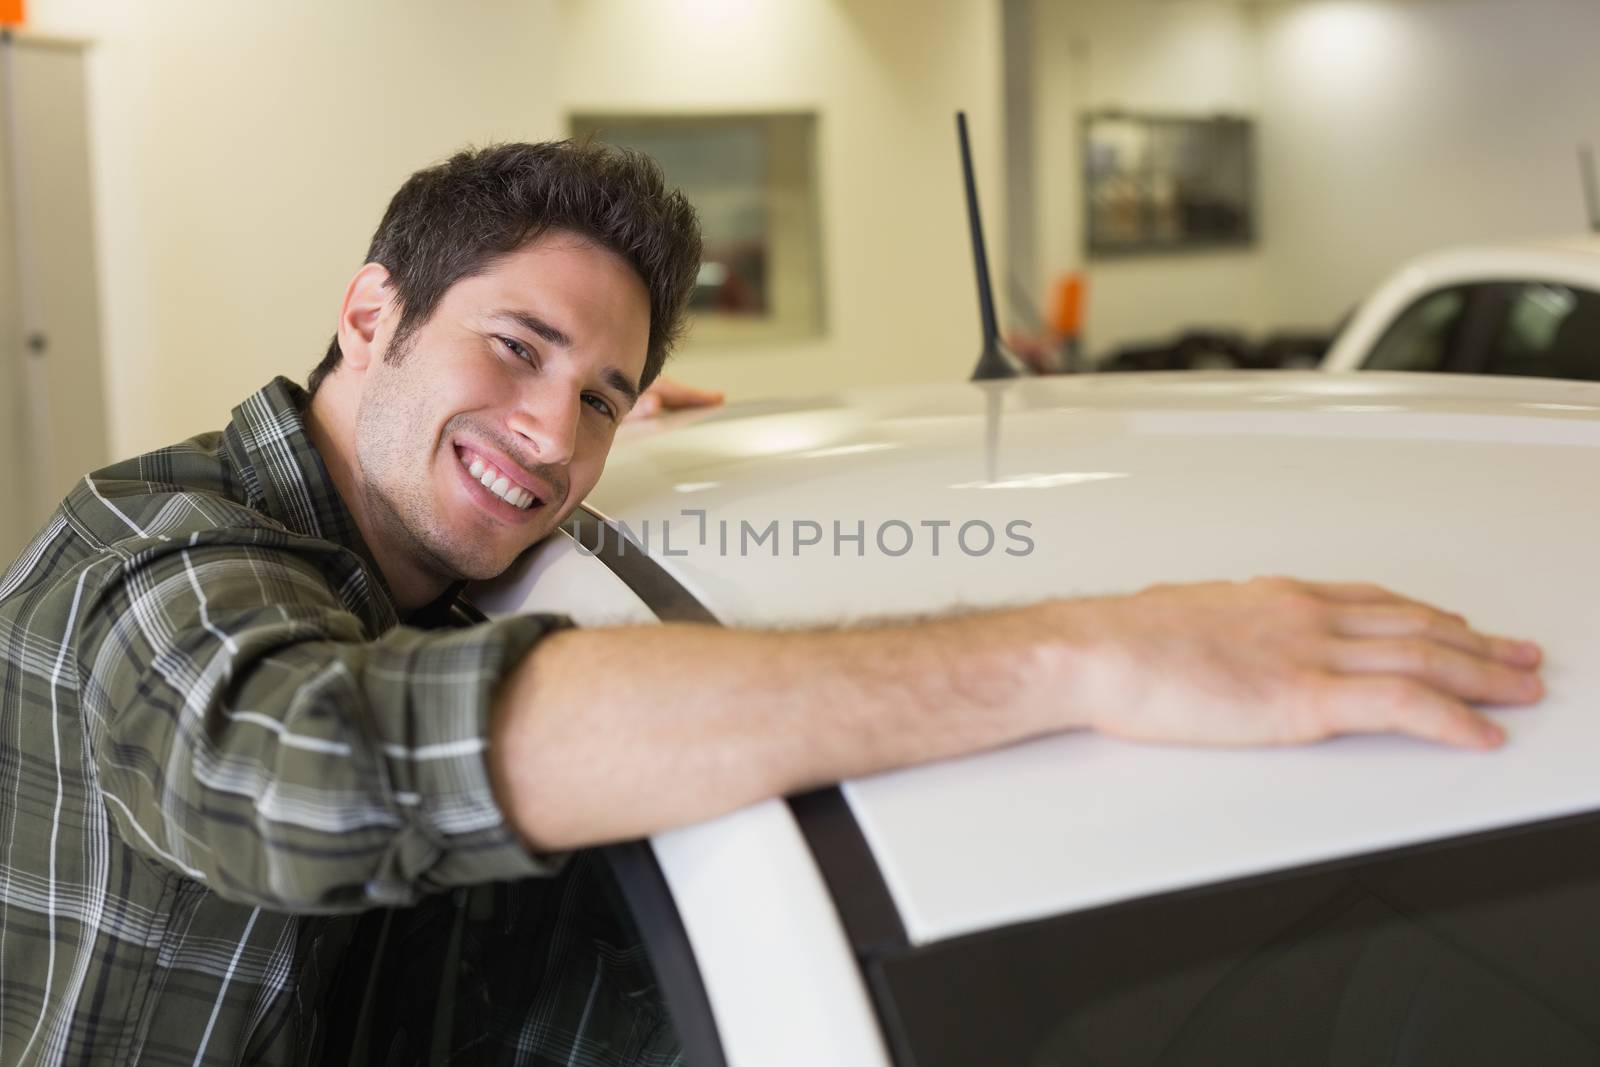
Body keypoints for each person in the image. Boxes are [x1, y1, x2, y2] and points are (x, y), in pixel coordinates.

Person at [0, 141, 1544, 1067]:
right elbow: (301, 769)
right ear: (367, 311)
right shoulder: (153, 553)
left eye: (605, 393)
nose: (556, 435)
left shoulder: (440, 547)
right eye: (517, 347)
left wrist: (607, 469)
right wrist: (1089, 649)